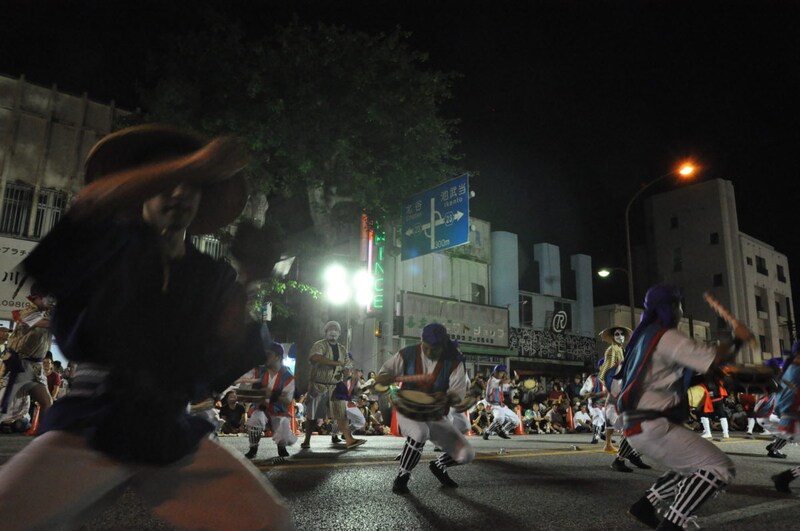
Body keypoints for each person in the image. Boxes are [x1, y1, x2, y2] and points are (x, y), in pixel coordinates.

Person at [0, 124, 292, 530]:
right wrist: (198, 164)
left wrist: (249, 278)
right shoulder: (106, 244)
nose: (178, 193)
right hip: (92, 423)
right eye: (166, 183)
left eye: (190, 186)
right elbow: (90, 204)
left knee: (267, 521)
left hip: (169, 431)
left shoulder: (212, 275)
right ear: (141, 190)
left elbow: (214, 355)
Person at [619, 284, 746, 530]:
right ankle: (672, 525)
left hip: (639, 424)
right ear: (670, 307)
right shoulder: (668, 336)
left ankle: (646, 505)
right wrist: (738, 338)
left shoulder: (645, 337)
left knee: (689, 465)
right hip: (652, 424)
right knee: (719, 467)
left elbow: (694, 371)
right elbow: (715, 357)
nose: (680, 311)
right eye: (679, 305)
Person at [374, 323, 475, 494]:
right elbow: (383, 374)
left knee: (466, 454)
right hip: (408, 408)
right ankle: (402, 476)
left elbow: (456, 394)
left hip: (435, 413)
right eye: (425, 347)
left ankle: (438, 465)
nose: (428, 352)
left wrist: (445, 397)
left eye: (434, 349)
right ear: (421, 341)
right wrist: (384, 378)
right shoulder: (407, 354)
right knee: (420, 432)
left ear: (443, 346)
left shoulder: (454, 362)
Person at [0, 283, 56, 424]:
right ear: (36, 298)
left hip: (36, 368)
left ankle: (41, 439)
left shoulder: (49, 313)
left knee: (47, 402)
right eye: (47, 298)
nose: (51, 301)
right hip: (18, 365)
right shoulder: (27, 312)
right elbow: (46, 324)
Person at [302, 321, 352, 449]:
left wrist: (346, 374)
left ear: (339, 333)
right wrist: (335, 363)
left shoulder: (342, 349)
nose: (333, 332)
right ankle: (307, 440)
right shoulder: (319, 345)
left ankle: (347, 438)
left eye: (336, 329)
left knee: (341, 414)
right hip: (319, 385)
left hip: (335, 386)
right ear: (326, 332)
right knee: (312, 415)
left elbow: (347, 365)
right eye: (330, 329)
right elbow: (315, 357)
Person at [244, 342, 297, 462]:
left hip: (279, 412)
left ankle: (281, 446)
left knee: (283, 433)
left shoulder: (288, 376)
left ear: (278, 357)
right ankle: (253, 449)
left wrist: (271, 394)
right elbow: (244, 383)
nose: (265, 357)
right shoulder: (259, 371)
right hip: (261, 407)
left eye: (269, 354)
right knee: (254, 420)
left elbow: (288, 400)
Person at [328, 361, 366, 448]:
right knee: (339, 420)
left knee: (361, 421)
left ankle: (346, 434)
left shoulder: (354, 380)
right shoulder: (336, 378)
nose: (349, 370)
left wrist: (366, 387)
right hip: (337, 402)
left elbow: (357, 392)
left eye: (350, 368)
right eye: (347, 368)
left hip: (349, 403)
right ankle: (337, 435)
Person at [482, 364, 520, 440]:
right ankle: (487, 432)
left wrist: (514, 386)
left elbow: (508, 386)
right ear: (495, 372)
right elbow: (502, 382)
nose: (502, 374)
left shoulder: (499, 381)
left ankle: (503, 431)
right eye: (501, 372)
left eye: (503, 372)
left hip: (501, 405)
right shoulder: (492, 380)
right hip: (493, 405)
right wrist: (513, 378)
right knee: (500, 419)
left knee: (516, 421)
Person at [698, 374, 730, 439]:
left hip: (710, 400)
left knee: (704, 415)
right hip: (719, 399)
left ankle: (708, 433)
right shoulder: (718, 378)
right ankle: (726, 433)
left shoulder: (704, 379)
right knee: (722, 415)